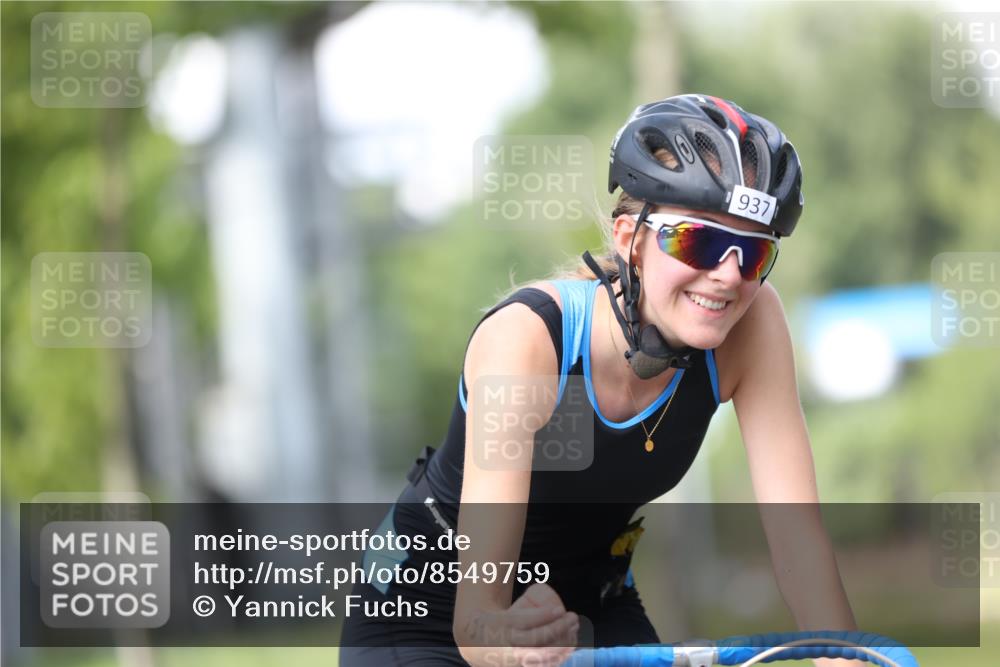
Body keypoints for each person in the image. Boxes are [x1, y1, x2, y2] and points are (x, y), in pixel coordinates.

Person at [340, 94, 862, 667]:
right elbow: (477, 623)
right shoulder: (530, 339)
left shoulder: (754, 321)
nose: (729, 275)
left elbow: (797, 538)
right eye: (699, 241)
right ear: (628, 237)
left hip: (594, 598)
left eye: (754, 251)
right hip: (431, 603)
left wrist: (841, 652)